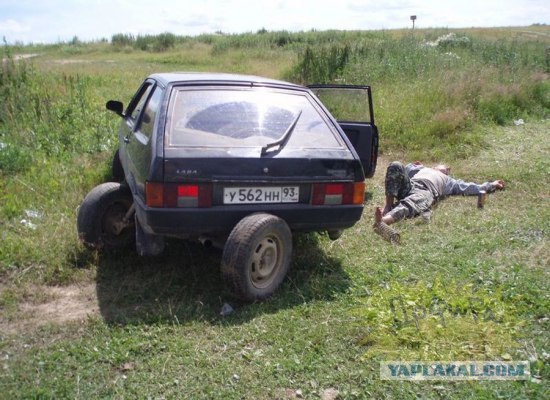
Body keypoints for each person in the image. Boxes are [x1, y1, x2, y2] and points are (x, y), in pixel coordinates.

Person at [374, 161, 505, 237]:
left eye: (448, 169)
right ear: (435, 166)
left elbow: (472, 188)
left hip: (426, 191)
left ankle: (383, 221)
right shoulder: (422, 169)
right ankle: (388, 205)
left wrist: (491, 185)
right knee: (395, 164)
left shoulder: (450, 181)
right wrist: (413, 166)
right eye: (445, 167)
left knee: (411, 203)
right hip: (410, 186)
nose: (447, 169)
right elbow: (401, 172)